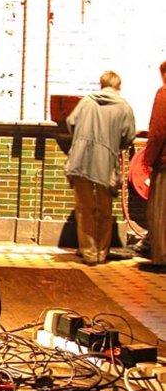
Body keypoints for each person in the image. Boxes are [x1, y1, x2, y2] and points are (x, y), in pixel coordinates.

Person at [65, 70, 136, 266]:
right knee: (104, 209)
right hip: (106, 161)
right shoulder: (124, 107)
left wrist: (81, 139)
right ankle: (101, 252)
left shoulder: (86, 101)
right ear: (118, 86)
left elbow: (71, 122)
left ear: (101, 84)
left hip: (81, 158)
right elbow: (129, 136)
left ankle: (88, 252)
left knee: (84, 208)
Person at [141, 61, 166, 272]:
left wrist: (148, 159)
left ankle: (161, 259)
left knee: (160, 212)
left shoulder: (164, 94)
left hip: (165, 164)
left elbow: (158, 131)